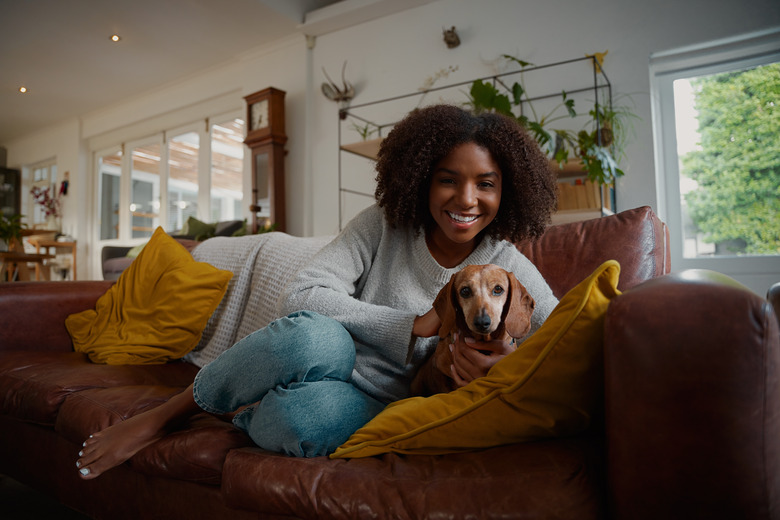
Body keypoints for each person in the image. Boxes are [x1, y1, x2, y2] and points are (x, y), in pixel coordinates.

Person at [75, 104, 559, 479]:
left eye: (486, 184)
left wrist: (507, 358)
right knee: (307, 337)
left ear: (509, 191)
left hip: (382, 406)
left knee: (299, 421)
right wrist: (410, 325)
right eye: (447, 180)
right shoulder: (384, 226)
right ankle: (167, 414)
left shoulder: (508, 267)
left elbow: (566, 333)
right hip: (337, 358)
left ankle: (245, 413)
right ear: (421, 181)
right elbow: (302, 293)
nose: (466, 199)